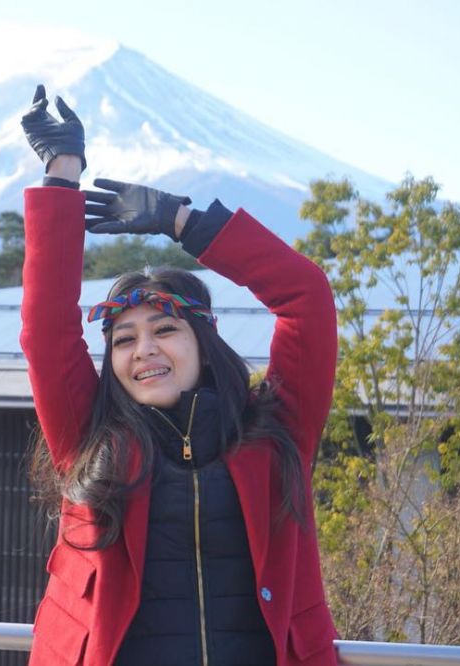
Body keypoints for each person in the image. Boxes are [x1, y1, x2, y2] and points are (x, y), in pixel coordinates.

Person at [19, 84, 338, 666]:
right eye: (123, 339)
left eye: (165, 329)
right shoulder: (89, 437)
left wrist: (180, 219)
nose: (143, 350)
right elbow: (46, 332)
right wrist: (61, 174)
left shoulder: (276, 431)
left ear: (203, 342)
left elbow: (306, 298)